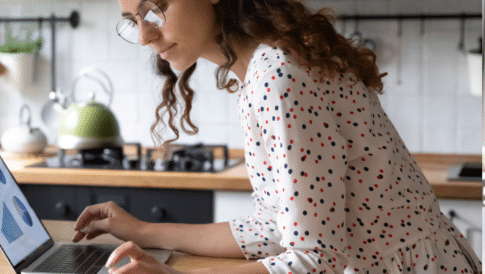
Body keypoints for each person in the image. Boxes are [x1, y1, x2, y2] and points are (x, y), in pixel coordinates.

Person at [71, 0, 484, 273]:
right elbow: (276, 225)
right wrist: (142, 231)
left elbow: (316, 257)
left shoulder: (278, 76)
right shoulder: (260, 70)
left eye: (155, 9)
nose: (144, 36)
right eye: (133, 21)